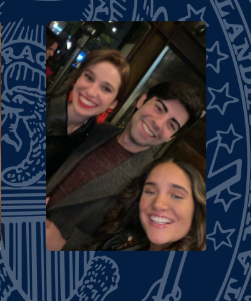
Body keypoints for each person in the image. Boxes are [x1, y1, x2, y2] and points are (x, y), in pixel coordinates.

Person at [45, 81, 205, 251]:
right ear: (142, 101)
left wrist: (65, 245)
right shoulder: (98, 130)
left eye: (171, 125)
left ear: (170, 137)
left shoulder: (148, 181)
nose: (158, 123)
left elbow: (126, 244)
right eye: (159, 108)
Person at [45, 49, 131, 179]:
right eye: (89, 77)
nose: (91, 92)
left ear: (113, 103)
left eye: (106, 88)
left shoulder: (91, 140)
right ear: (78, 78)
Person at [88, 158, 207, 251]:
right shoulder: (122, 240)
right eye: (150, 192)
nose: (158, 204)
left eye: (176, 196)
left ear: (196, 210)